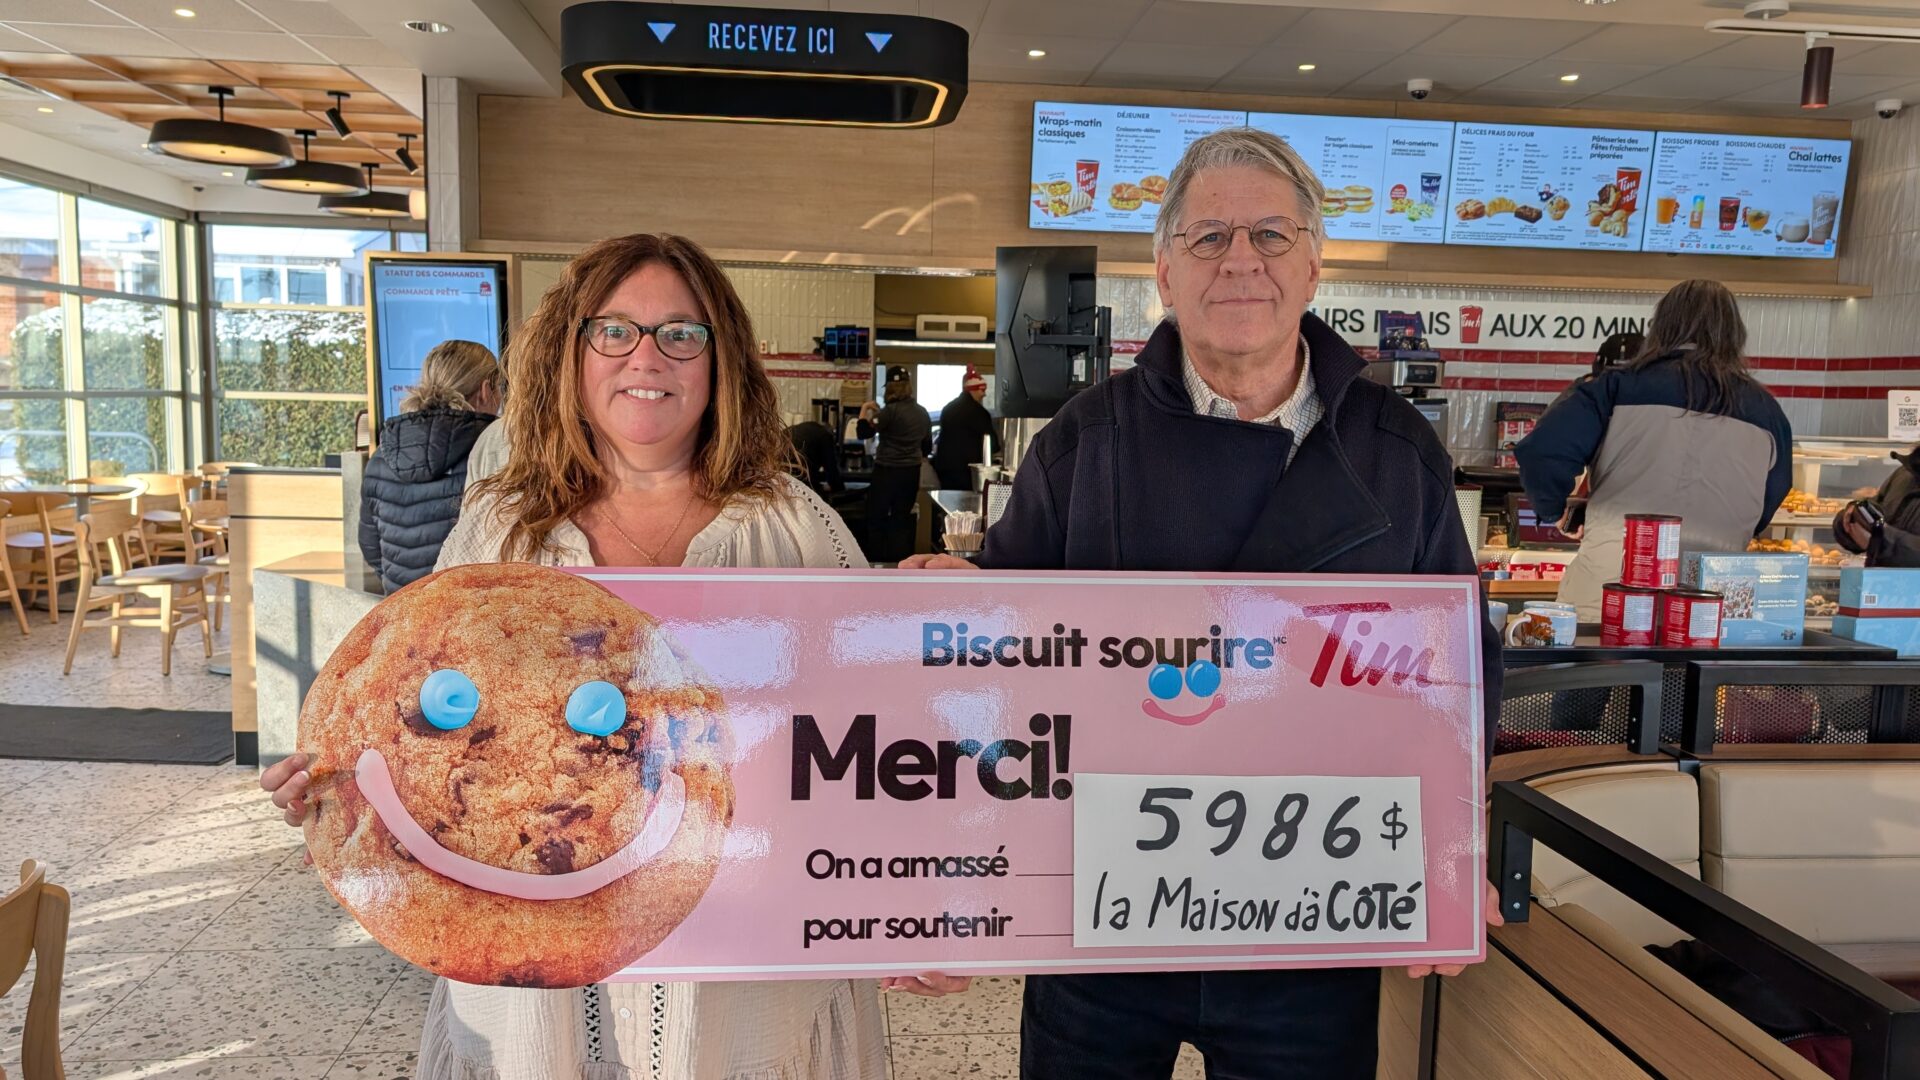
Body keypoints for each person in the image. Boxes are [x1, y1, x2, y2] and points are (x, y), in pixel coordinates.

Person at [263, 232, 964, 1080]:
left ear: (721, 360)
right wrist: (334, 783)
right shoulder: (501, 528)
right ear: (572, 351)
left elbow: (875, 740)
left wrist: (919, 903)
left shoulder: (793, 525)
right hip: (532, 955)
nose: (648, 356)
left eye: (681, 332)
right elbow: (416, 723)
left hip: (746, 972)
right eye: (615, 330)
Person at [904, 126, 1503, 1079]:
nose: (1241, 262)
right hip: (1102, 912)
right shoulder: (1082, 442)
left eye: (1270, 235)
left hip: (1309, 917)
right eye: (1208, 238)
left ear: (1313, 267)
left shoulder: (1397, 452)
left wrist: (1453, 852)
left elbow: (1458, 675)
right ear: (1164, 273)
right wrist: (954, 865)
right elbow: (997, 683)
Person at [1517, 280, 1793, 620]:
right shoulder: (1769, 413)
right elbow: (1769, 502)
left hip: (1614, 593)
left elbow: (1542, 451)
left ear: (1660, 326)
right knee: (1699, 675)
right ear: (1736, 335)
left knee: (1603, 674)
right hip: (1713, 602)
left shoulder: (1616, 386)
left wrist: (1554, 510)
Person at [358, 339, 501, 593]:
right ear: (486, 390)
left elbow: (371, 549)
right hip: (466, 613)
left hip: (405, 613)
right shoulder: (494, 452)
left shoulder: (382, 456)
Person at [856, 369, 931, 562]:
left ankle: (875, 564)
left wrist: (865, 410)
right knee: (902, 518)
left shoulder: (890, 411)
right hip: (911, 473)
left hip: (887, 472)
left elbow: (863, 432)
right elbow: (927, 447)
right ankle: (901, 565)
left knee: (877, 518)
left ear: (889, 388)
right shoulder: (922, 413)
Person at [1834, 448, 1920, 566]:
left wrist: (1879, 540)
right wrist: (1852, 518)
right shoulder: (1906, 473)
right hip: (1880, 581)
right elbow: (1876, 510)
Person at [930, 367, 999, 490]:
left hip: (945, 469)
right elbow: (990, 443)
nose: (984, 394)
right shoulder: (980, 413)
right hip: (967, 471)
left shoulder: (948, 409)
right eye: (982, 390)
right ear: (972, 390)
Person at [788, 416, 845, 495]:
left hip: (782, 471)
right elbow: (831, 468)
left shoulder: (807, 428)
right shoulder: (825, 435)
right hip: (801, 473)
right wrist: (839, 489)